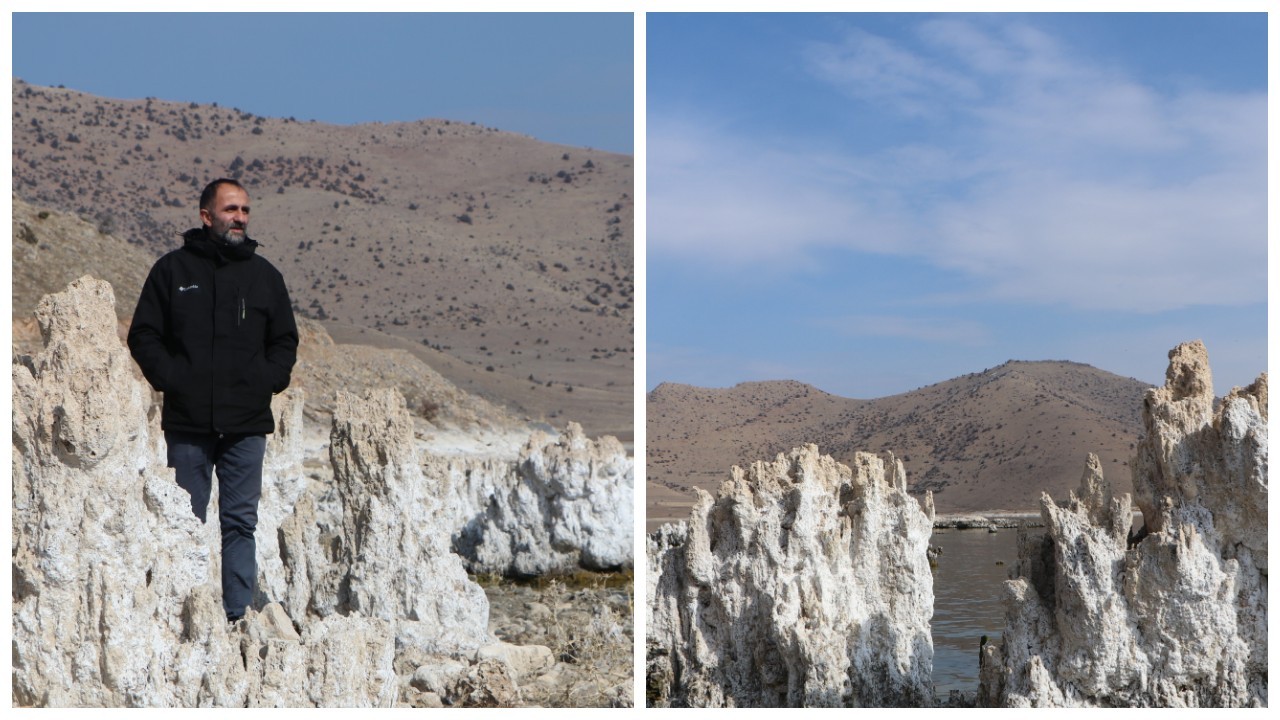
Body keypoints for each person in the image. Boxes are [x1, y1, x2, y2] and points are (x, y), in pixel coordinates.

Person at [128, 178, 298, 623]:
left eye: (244, 210)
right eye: (230, 210)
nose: (240, 217)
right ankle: (185, 611)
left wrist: (268, 380)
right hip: (188, 423)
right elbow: (144, 334)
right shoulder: (173, 271)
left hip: (246, 423)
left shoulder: (265, 277)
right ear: (207, 216)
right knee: (186, 519)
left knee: (240, 523)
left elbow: (284, 340)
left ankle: (235, 613)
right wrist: (173, 379)